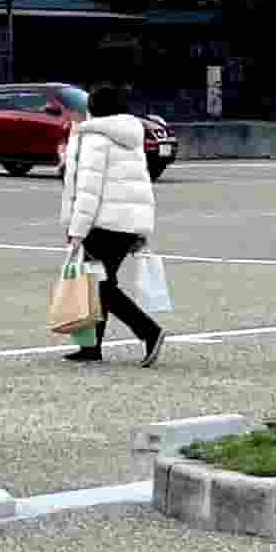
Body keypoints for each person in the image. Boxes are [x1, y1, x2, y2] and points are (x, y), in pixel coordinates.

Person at [59, 81, 162, 365]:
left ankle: (148, 331)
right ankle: (91, 347)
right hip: (128, 223)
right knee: (101, 282)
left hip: (105, 224)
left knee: (99, 284)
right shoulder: (130, 135)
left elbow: (89, 191)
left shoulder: (95, 138)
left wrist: (76, 230)